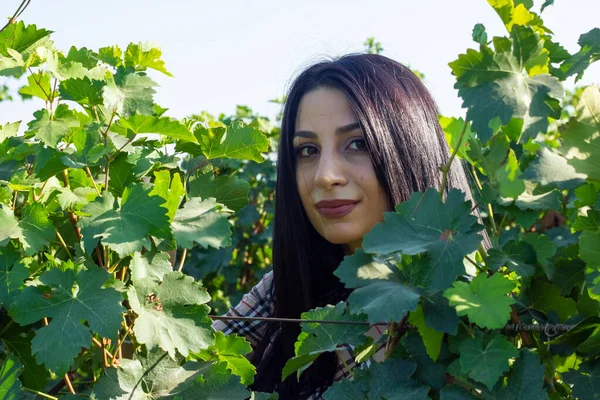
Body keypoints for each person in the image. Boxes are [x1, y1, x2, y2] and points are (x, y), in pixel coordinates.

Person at [212, 53, 481, 399]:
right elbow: (189, 367)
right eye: (307, 150)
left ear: (409, 149)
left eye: (357, 144)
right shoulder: (289, 287)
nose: (325, 175)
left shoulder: (463, 318)